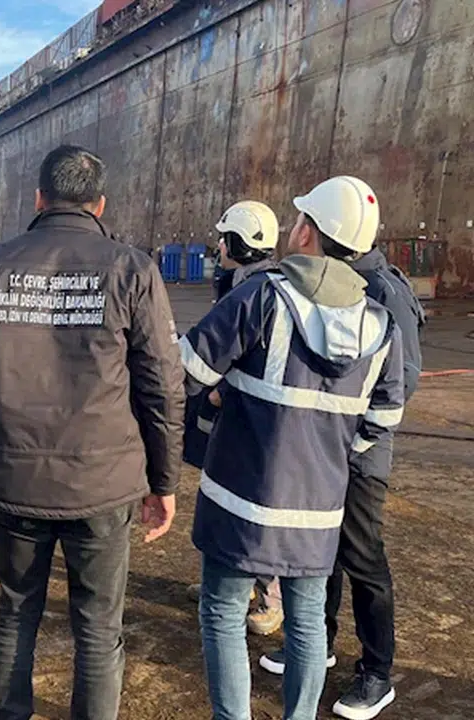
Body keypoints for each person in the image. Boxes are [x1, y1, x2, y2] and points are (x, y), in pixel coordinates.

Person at [0, 144, 184, 720]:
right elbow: (163, 386)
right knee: (98, 627)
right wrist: (163, 481)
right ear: (100, 204)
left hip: (13, 475)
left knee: (16, 611)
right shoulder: (132, 270)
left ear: (39, 198)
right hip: (103, 481)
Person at [178, 176, 405, 720]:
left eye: (300, 219)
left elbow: (189, 369)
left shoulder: (262, 297)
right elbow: (384, 417)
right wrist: (333, 457)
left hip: (240, 501)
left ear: (308, 233)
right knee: (306, 619)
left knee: (223, 611)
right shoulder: (381, 325)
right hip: (319, 507)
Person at [260, 218, 425, 720]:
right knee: (320, 550)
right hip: (321, 450)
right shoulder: (326, 282)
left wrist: (349, 433)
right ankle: (319, 642)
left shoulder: (382, 290)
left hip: (358, 456)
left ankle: (377, 672)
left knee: (362, 556)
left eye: (303, 223)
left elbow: (403, 379)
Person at [183, 201, 285, 636]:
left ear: (238, 244)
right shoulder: (241, 284)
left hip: (251, 419)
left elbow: (259, 358)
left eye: (224, 240)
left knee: (256, 511)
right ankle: (233, 587)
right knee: (227, 504)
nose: (219, 247)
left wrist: (216, 389)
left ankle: (270, 596)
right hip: (234, 418)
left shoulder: (261, 292)